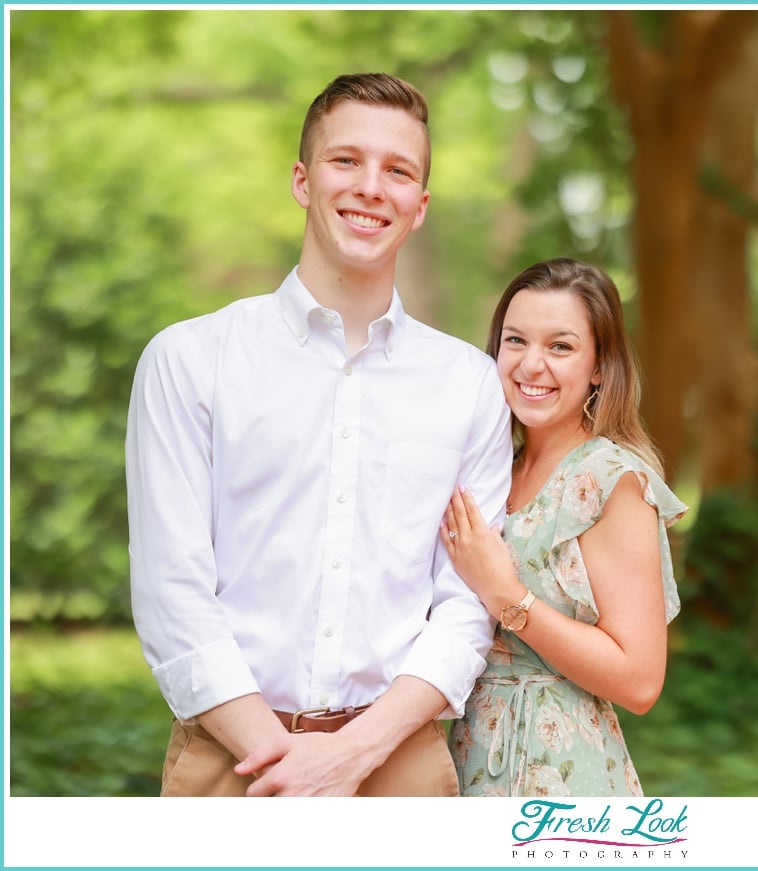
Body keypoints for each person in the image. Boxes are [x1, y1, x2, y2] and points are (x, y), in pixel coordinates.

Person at [125, 73, 512, 796]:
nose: (372, 186)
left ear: (419, 206)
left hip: (400, 763)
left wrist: (352, 752)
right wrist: (285, 763)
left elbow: (466, 603)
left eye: (398, 170)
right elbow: (171, 591)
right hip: (230, 759)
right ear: (302, 180)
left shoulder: (469, 384)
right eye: (346, 161)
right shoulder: (188, 360)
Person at [439, 257, 687, 796]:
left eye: (560, 346)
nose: (531, 365)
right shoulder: (487, 471)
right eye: (515, 341)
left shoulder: (611, 482)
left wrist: (508, 597)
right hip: (465, 759)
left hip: (559, 778)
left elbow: (640, 681)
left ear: (599, 366)